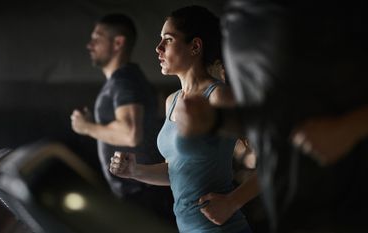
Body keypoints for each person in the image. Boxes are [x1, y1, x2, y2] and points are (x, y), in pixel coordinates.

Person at [175, 0, 368, 232]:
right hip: (291, 211)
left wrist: (350, 127)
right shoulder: (236, 21)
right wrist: (216, 120)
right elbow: (271, 114)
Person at [109, 6, 259, 233]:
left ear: (195, 46)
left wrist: (232, 203)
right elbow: (178, 170)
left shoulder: (219, 96)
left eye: (168, 40)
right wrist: (134, 171)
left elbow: (273, 161)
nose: (158, 48)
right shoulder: (172, 101)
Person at [70, 13, 174, 223]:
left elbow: (130, 134)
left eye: (97, 38)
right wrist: (97, 124)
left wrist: (86, 126)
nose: (90, 45)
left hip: (142, 194)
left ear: (118, 43)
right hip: (140, 193)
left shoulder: (124, 81)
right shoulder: (125, 80)